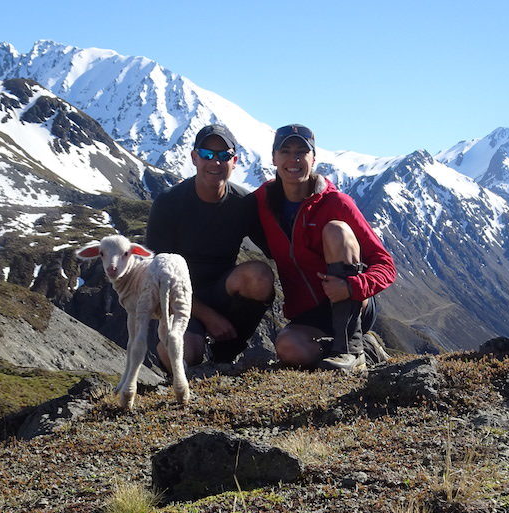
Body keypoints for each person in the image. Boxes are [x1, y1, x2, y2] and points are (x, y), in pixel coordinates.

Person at [254, 124, 396, 373]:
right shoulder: (263, 201)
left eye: (301, 152)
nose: (293, 159)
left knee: (336, 230)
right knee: (289, 349)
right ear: (274, 158)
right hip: (308, 313)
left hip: (352, 300)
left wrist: (352, 287)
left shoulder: (336, 203)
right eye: (285, 151)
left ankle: (351, 349)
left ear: (313, 158)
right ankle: (368, 347)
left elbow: (385, 264)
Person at [146, 123, 274, 368]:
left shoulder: (243, 203)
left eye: (223, 156)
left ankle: (226, 354)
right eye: (206, 155)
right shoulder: (168, 203)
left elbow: (275, 250)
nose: (215, 163)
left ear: (234, 161)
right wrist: (209, 316)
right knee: (184, 354)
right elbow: (158, 278)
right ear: (194, 158)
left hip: (222, 291)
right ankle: (175, 359)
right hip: (177, 299)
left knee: (259, 275)